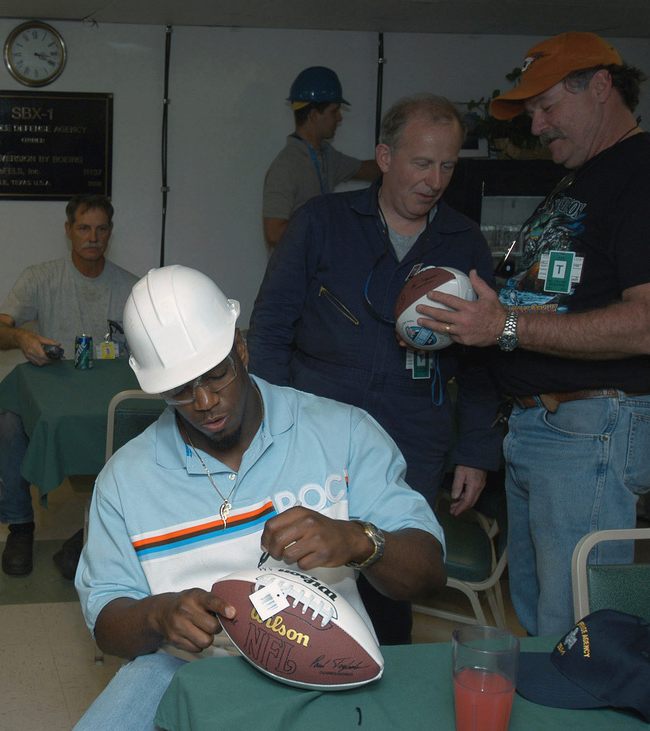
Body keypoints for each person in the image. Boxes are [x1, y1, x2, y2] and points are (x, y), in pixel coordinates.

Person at [74, 265, 445, 730]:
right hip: (187, 675)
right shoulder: (125, 480)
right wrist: (157, 615)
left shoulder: (341, 434)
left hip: (322, 672)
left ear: (242, 348)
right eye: (179, 391)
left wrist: (359, 540)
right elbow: (107, 622)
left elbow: (429, 571)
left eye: (216, 375)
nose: (205, 402)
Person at [414, 33, 650, 638]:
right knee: (542, 623)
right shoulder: (579, 175)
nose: (537, 125)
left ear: (600, 86)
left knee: (581, 638)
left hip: (586, 430)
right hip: (539, 431)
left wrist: (505, 325)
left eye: (547, 107)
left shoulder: (638, 171)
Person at [248, 94, 502, 644]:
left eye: (448, 165)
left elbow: (482, 362)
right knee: (298, 572)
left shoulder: (463, 240)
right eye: (421, 163)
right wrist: (270, 431)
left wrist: (476, 452)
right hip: (317, 427)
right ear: (385, 157)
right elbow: (268, 332)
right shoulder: (321, 222)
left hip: (414, 433)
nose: (435, 180)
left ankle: (380, 688)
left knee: (394, 574)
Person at [0, 194, 138, 578]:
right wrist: (22, 337)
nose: (93, 237)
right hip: (52, 393)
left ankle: (105, 530)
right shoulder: (40, 277)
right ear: (69, 231)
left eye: (101, 229)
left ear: (111, 233)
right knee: (6, 420)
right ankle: (19, 526)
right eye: (84, 228)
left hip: (110, 396)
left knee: (156, 425)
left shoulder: (133, 288)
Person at [262, 66, 381, 249]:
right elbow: (273, 233)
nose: (340, 118)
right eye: (334, 111)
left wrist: (405, 163)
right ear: (314, 115)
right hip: (294, 275)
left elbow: (370, 170)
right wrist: (329, 225)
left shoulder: (327, 155)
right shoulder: (286, 166)